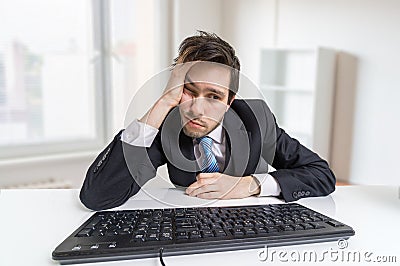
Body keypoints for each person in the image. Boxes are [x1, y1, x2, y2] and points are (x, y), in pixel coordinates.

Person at [80, 31, 336, 211]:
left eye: (214, 96)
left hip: (252, 230)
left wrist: (250, 185)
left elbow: (322, 174)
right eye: (189, 90)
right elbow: (97, 196)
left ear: (230, 100)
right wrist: (163, 103)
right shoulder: (166, 126)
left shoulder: (256, 118)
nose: (197, 109)